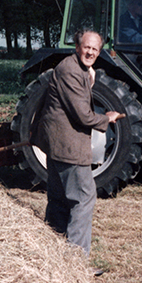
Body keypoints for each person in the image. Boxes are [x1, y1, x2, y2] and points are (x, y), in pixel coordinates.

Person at [31, 30, 123, 261]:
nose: (90, 52)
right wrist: (106, 118)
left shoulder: (75, 69)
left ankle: (53, 254)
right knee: (84, 198)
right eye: (87, 47)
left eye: (95, 49)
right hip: (68, 146)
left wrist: (89, 81)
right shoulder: (70, 70)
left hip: (57, 144)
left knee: (59, 200)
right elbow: (83, 115)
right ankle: (76, 262)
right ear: (77, 47)